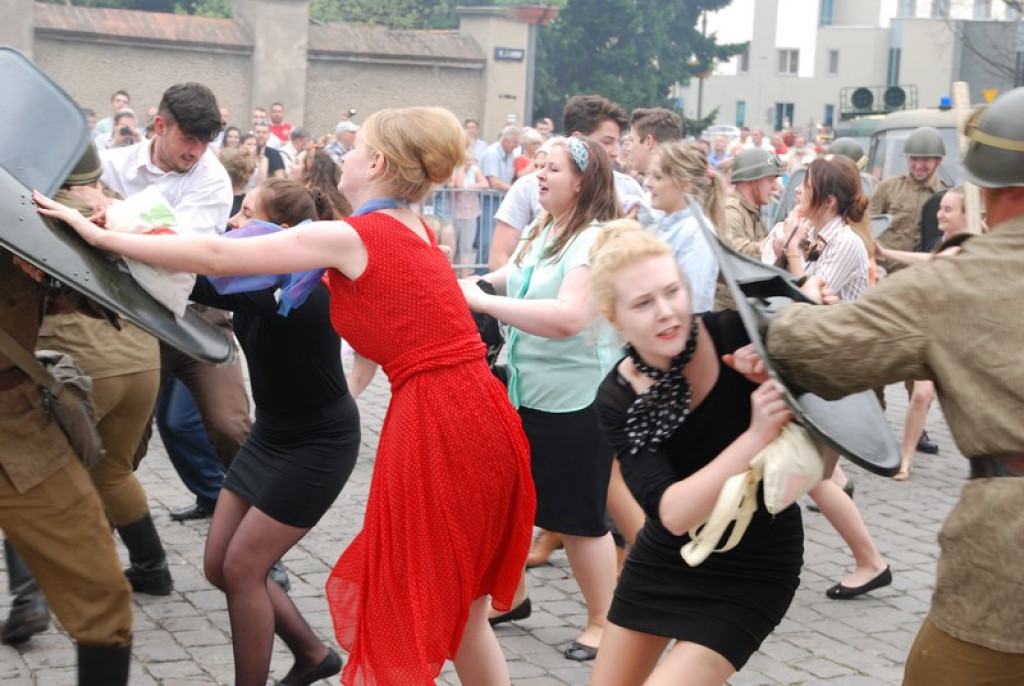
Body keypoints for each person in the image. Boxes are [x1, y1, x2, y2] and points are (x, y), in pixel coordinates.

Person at [36, 105, 536, 686]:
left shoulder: (352, 235)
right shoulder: (415, 229)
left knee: (417, 598)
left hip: (440, 418)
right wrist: (120, 225)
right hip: (477, 410)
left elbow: (218, 256)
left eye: (353, 149)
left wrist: (99, 234)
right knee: (464, 612)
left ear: (374, 161)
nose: (341, 157)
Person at [724, 87, 1024, 686]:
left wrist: (780, 321)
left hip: (1007, 563)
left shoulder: (968, 276)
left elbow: (823, 349)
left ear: (991, 188)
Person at [588, 220, 802, 686]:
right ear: (614, 318)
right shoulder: (617, 396)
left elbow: (829, 390)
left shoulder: (733, 334)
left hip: (752, 563)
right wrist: (755, 434)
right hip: (667, 558)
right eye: (643, 303)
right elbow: (673, 513)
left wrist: (782, 370)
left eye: (672, 291)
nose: (666, 312)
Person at [186, 178, 360, 686]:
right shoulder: (260, 277)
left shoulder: (297, 291)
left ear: (281, 234)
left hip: (320, 445)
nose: (233, 224)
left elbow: (196, 275)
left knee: (242, 570)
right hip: (272, 437)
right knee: (220, 565)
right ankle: (312, 655)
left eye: (245, 216)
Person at [461, 136, 621, 661]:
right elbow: (514, 276)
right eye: (537, 165)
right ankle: (513, 599)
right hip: (528, 391)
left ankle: (605, 620)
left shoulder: (595, 241)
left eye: (551, 168)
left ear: (583, 181)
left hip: (577, 399)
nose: (538, 173)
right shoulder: (544, 227)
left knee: (578, 517)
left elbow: (569, 317)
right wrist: (468, 281)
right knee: (506, 505)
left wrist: (487, 301)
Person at [763, 156, 892, 599]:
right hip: (807, 366)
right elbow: (764, 273)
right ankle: (868, 558)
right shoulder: (805, 231)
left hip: (834, 372)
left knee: (812, 475)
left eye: (806, 186)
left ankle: (871, 561)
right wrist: (783, 244)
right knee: (819, 474)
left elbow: (807, 305)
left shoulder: (847, 243)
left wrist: (793, 252)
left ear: (829, 199)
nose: (796, 192)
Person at [0, 251, 133, 681]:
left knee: (101, 595)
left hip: (21, 432)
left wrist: (92, 235)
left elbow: (107, 294)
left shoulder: (17, 214)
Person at [877, 187, 969, 480]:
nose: (940, 214)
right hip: (934, 332)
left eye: (948, 209)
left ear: (966, 215)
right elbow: (928, 262)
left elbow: (932, 264)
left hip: (963, 339)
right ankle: (905, 460)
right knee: (921, 394)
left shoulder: (967, 246)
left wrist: (886, 255)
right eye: (940, 208)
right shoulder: (941, 242)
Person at [643, 140, 721, 313]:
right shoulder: (663, 222)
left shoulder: (697, 233)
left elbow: (691, 302)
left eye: (657, 177)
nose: (647, 183)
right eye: (647, 175)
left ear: (685, 185)